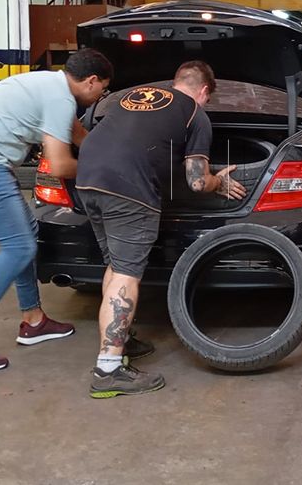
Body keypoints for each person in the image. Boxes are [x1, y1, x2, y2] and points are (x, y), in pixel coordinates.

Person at [75, 60, 246, 398]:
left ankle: (120, 340)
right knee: (127, 274)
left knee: (117, 266)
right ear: (204, 91)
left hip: (87, 179)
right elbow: (197, 182)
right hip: (128, 190)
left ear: (175, 81)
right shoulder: (195, 113)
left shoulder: (135, 97)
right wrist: (218, 182)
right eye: (208, 98)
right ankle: (108, 369)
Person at [0, 49, 113, 372]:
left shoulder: (52, 85)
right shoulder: (60, 99)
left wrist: (113, 153)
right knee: (18, 248)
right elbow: (59, 165)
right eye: (103, 89)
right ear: (91, 81)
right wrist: (108, 171)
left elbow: (78, 134)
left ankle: (33, 321)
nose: (101, 95)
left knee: (26, 234)